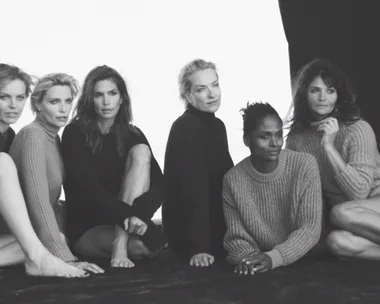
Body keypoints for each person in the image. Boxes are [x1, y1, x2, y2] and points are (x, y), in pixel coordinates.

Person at [61, 65, 167, 269]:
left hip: (124, 221)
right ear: (89, 100)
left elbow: (160, 184)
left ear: (122, 98)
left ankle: (121, 241)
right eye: (98, 95)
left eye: (112, 93)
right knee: (143, 247)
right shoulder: (74, 133)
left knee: (141, 151)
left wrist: (139, 214)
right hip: (88, 225)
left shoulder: (133, 133)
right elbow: (88, 190)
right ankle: (120, 246)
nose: (106, 102)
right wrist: (129, 216)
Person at [0, 63, 92, 277]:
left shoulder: (10, 136)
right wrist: (65, 258)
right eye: (4, 97)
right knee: (2, 161)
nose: (13, 105)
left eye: (20, 97)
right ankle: (38, 258)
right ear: (39, 105)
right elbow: (38, 202)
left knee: (56, 238)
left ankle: (40, 254)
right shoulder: (32, 136)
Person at [286, 58, 380, 260]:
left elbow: (359, 192)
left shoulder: (357, 129)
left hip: (371, 201)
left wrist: (329, 147)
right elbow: (300, 189)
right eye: (315, 90)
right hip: (348, 216)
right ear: (304, 94)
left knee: (340, 213)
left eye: (330, 91)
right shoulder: (296, 138)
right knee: (336, 242)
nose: (323, 98)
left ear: (338, 95)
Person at [223, 102, 322, 275]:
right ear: (247, 140)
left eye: (278, 135)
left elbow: (310, 228)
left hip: (306, 260)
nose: (275, 143)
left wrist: (273, 258)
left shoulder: (304, 165)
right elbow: (236, 236)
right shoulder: (233, 179)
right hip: (261, 263)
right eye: (264, 136)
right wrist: (249, 259)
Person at [163, 59, 234, 267]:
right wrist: (199, 247)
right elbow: (192, 190)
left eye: (215, 85)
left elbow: (225, 177)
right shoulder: (187, 127)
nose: (212, 94)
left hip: (213, 223)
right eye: (202, 89)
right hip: (191, 233)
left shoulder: (217, 125)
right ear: (187, 95)